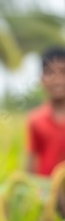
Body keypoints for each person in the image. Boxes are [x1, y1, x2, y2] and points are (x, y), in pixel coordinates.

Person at [27, 47, 65, 177]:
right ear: (42, 79)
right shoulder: (36, 120)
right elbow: (31, 160)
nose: (58, 79)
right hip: (45, 192)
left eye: (63, 72)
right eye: (50, 73)